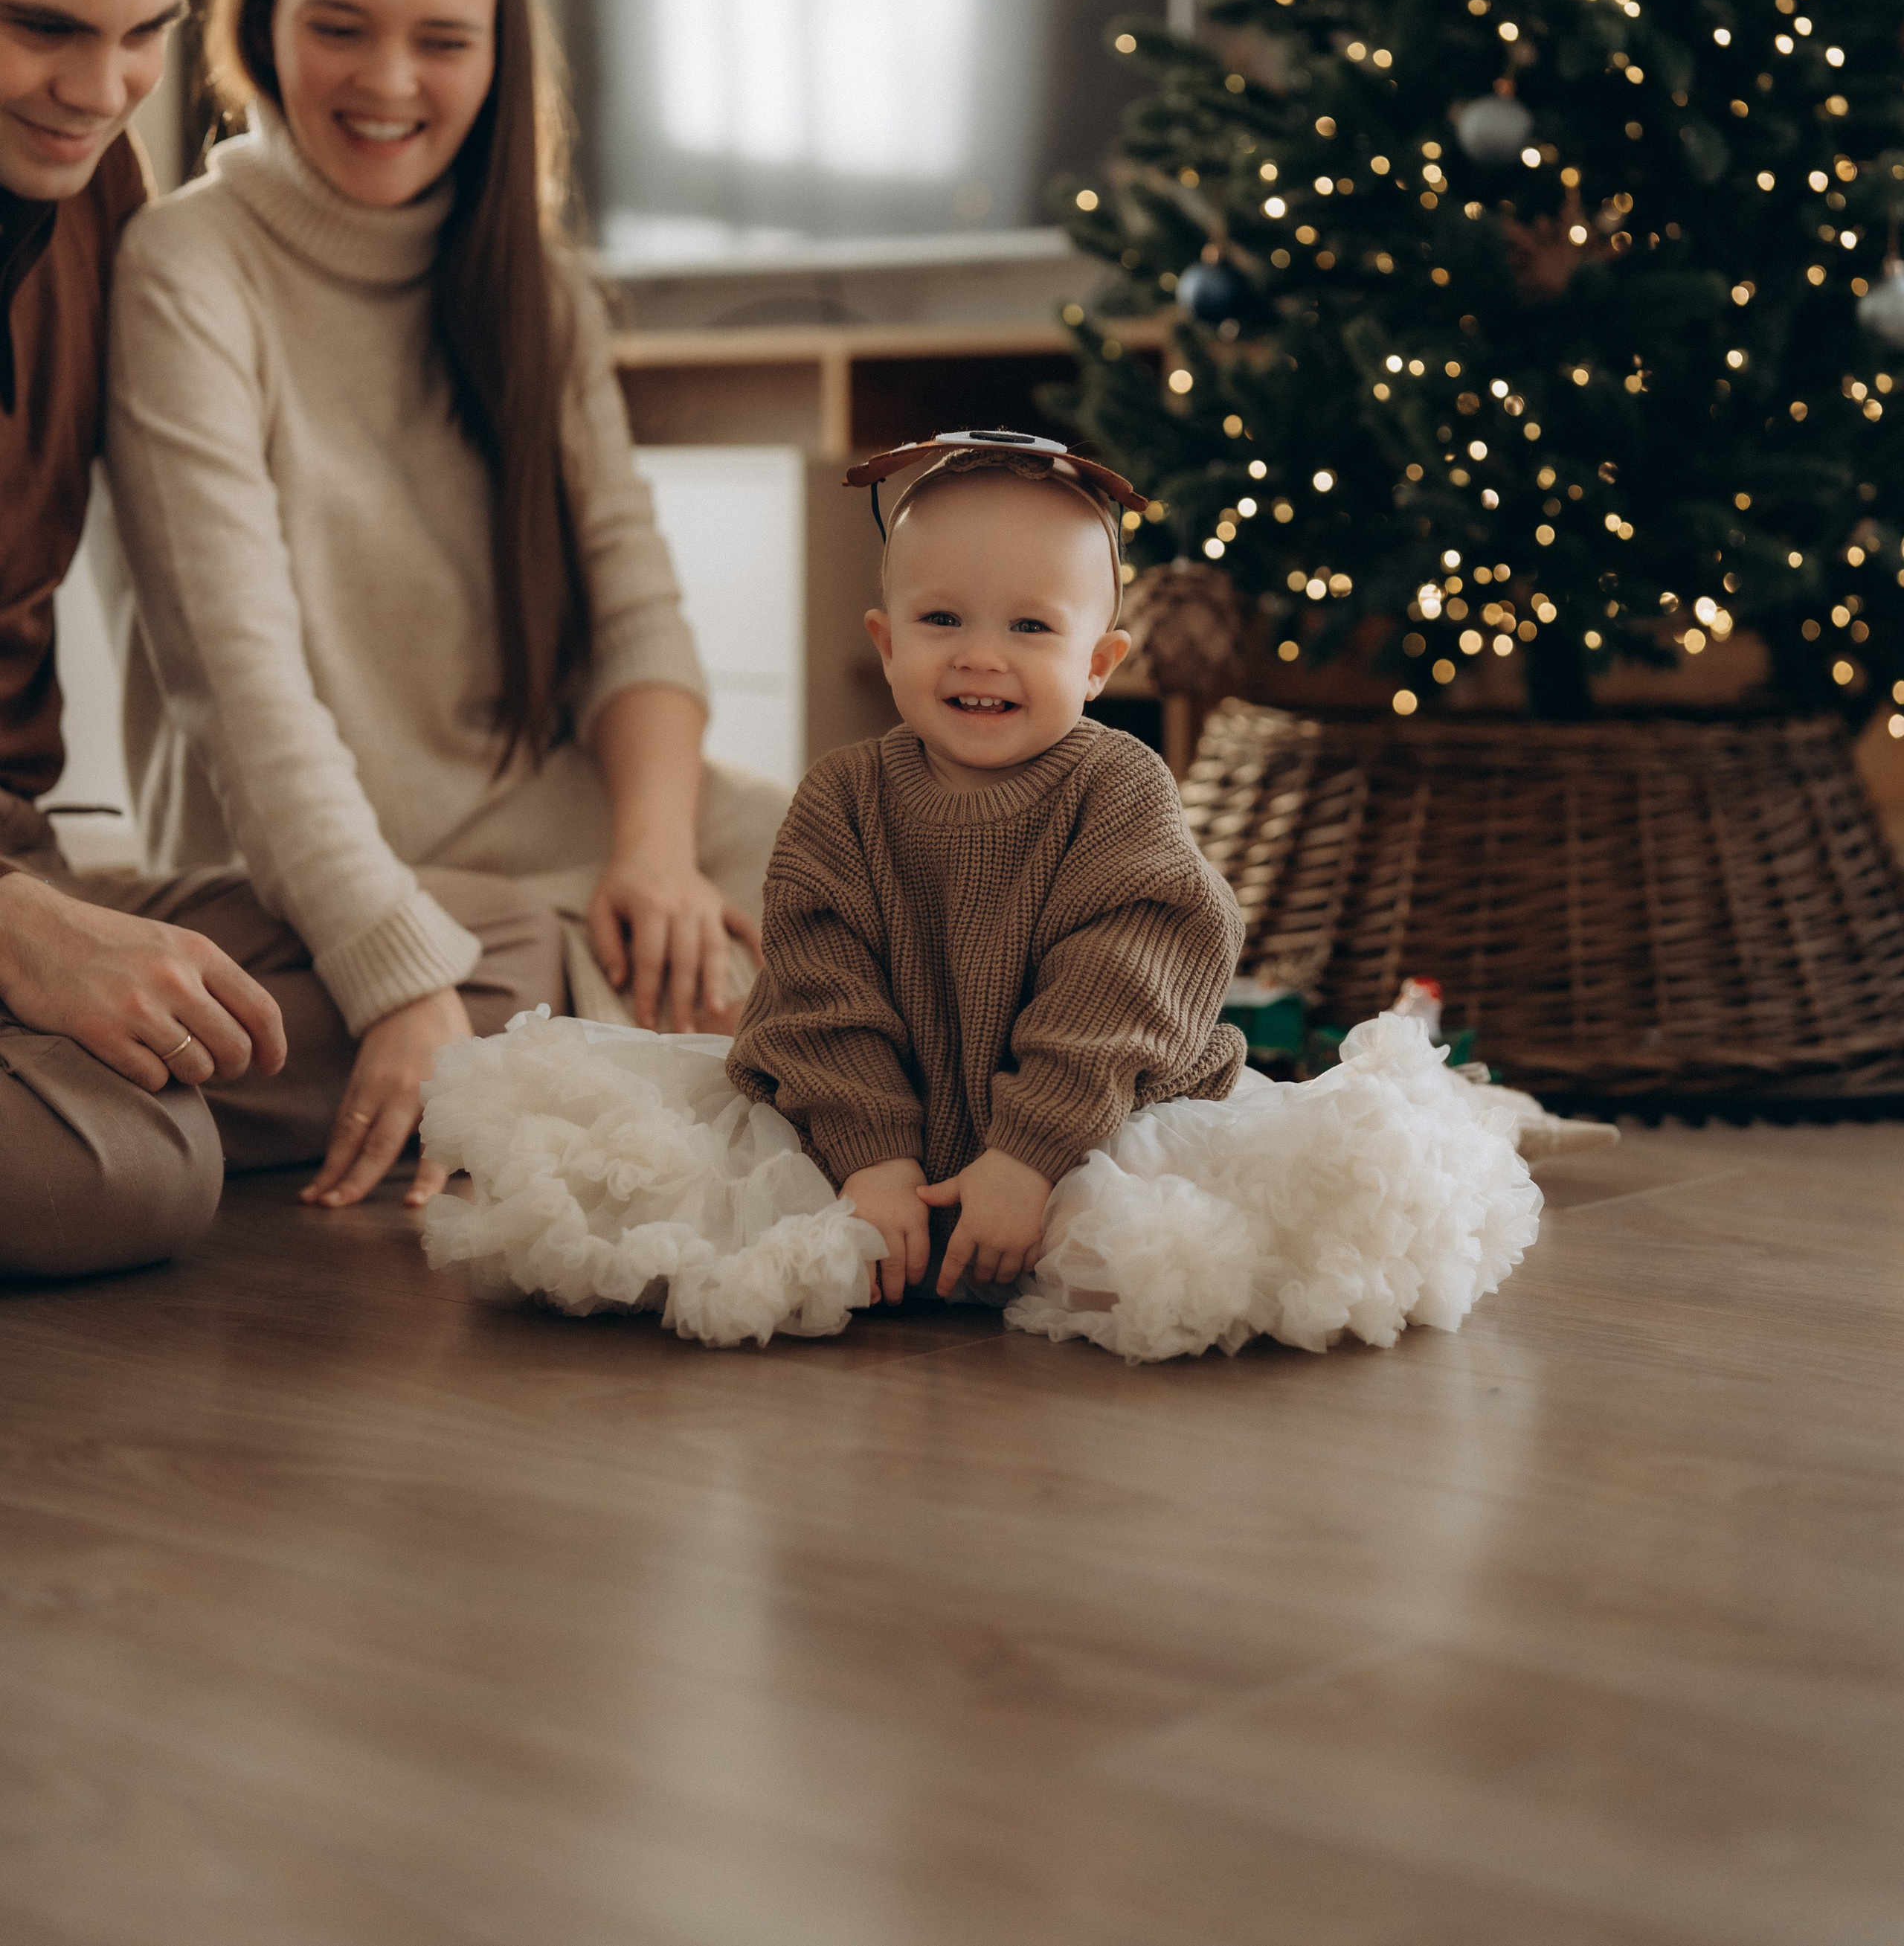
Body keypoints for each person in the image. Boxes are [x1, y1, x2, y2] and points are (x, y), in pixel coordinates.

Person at [419, 437, 1546, 1361]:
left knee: (1196, 1250)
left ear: (1101, 660)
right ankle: (892, 1211)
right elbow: (820, 989)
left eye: (1032, 626)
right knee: (668, 1198)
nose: (983, 657)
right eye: (944, 619)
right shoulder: (844, 799)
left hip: (1100, 1125)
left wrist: (1034, 1151)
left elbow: (1130, 975)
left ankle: (1022, 1213)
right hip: (872, 1129)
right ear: (887, 640)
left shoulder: (1117, 786)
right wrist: (869, 1154)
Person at [106, 0, 785, 1218]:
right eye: (338, 27)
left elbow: (637, 614)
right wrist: (403, 978)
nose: (391, 81)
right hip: (320, 852)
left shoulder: (533, 285)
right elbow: (245, 691)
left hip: (552, 815)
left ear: (499, 54)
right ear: (254, 26)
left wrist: (653, 853)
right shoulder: (190, 265)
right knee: (535, 968)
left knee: (874, 877)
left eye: (444, 41)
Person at [0, 0, 558, 1279]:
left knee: (497, 951)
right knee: (131, 1177)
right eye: (40, 24)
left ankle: (108, 1090)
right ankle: (121, 1114)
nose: (97, 90)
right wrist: (20, 931)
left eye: (140, 32)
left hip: (30, 871)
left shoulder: (98, 197)